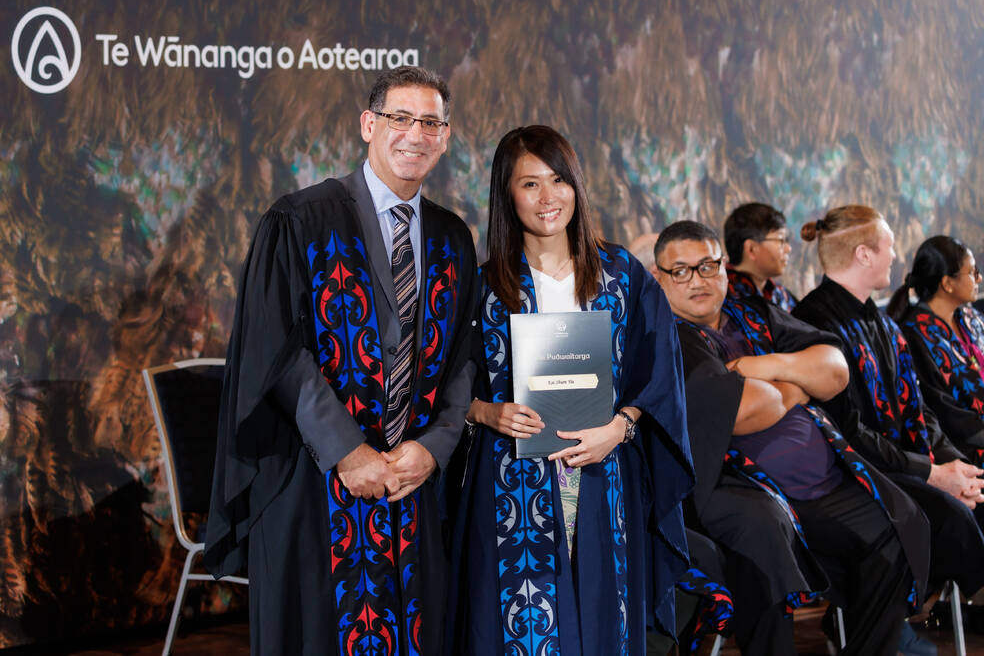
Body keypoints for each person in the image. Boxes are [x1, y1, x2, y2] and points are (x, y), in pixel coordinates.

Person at [204, 66, 479, 655]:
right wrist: (349, 454)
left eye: (430, 123)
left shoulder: (453, 237)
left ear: (445, 137)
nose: (415, 134)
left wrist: (433, 449)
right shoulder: (300, 220)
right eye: (400, 118)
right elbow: (278, 353)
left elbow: (462, 360)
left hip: (410, 482)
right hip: (315, 477)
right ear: (368, 125)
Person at [446, 126, 693, 654]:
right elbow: (444, 383)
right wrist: (486, 413)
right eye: (529, 183)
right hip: (511, 478)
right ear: (507, 195)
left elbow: (659, 374)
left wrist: (620, 428)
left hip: (603, 472)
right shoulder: (483, 287)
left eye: (558, 180)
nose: (548, 197)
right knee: (521, 625)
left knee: (603, 613)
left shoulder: (623, 277)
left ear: (576, 185)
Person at [654, 220, 927, 655]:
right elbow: (746, 410)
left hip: (820, 481)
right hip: (736, 483)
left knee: (897, 525)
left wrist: (760, 366)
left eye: (707, 266)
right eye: (681, 271)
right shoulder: (667, 337)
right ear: (659, 277)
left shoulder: (753, 313)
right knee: (761, 533)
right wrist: (798, 386)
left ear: (724, 267)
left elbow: (834, 370)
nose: (698, 280)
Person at [792, 206, 984, 600]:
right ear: (864, 254)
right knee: (952, 518)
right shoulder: (813, 321)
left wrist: (953, 467)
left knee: (977, 489)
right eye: (890, 246)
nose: (896, 256)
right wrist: (932, 474)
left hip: (900, 462)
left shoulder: (883, 322)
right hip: (852, 473)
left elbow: (919, 409)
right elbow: (847, 431)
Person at [887, 236, 984, 466]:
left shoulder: (970, 317)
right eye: (972, 272)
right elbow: (946, 415)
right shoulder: (914, 336)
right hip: (964, 450)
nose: (979, 278)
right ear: (947, 283)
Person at [723, 202, 798, 311]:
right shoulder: (723, 296)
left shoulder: (782, 295)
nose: (788, 248)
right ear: (751, 249)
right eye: (781, 241)